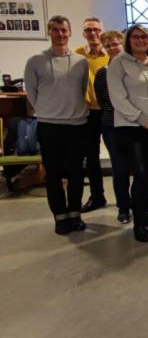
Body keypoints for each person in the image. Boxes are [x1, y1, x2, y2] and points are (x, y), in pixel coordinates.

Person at [107, 25, 148, 243]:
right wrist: (143, 119)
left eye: (144, 37)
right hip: (131, 128)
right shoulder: (118, 63)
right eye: (135, 37)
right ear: (128, 40)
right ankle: (138, 222)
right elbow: (117, 98)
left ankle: (146, 213)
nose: (140, 40)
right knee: (141, 172)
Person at [24, 15, 89, 235]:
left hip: (76, 125)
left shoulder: (81, 61)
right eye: (55, 30)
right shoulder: (35, 61)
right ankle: (60, 217)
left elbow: (81, 90)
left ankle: (75, 214)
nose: (60, 34)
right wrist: (48, 110)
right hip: (49, 125)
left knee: (76, 173)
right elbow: (31, 93)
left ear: (69, 32)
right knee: (53, 174)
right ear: (49, 32)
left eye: (63, 30)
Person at [95, 30, 130, 223]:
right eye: (107, 46)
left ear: (123, 44)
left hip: (134, 124)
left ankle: (141, 205)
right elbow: (103, 102)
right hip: (111, 125)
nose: (112, 48)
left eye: (115, 44)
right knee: (119, 167)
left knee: (139, 168)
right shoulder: (103, 73)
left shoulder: (133, 69)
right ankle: (123, 207)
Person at [76, 17, 109, 213]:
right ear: (84, 34)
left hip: (110, 111)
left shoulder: (112, 54)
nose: (93, 33)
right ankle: (97, 196)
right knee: (91, 156)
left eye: (96, 29)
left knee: (119, 154)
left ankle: (126, 199)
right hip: (88, 112)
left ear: (102, 32)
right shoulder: (77, 55)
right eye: (88, 30)